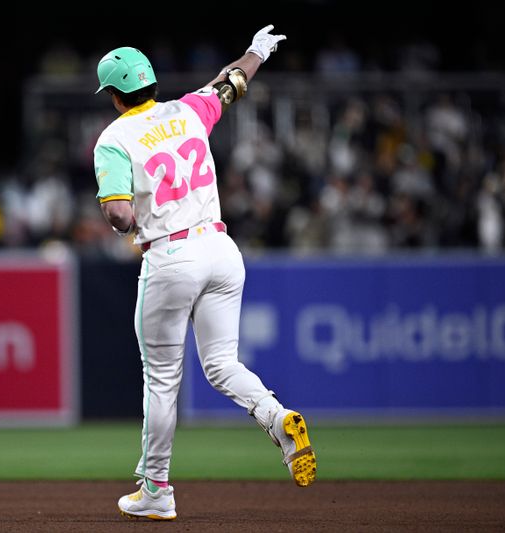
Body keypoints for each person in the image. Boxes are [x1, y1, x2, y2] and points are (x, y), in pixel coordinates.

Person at [93, 26, 317, 521]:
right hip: (220, 247)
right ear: (150, 82)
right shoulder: (188, 109)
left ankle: (155, 491)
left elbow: (119, 216)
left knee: (162, 381)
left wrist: (122, 217)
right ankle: (277, 418)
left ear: (113, 95)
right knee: (221, 363)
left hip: (171, 257)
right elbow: (231, 82)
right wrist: (257, 51)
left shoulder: (112, 139)